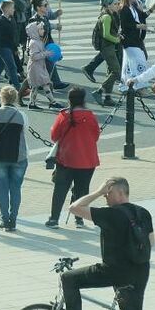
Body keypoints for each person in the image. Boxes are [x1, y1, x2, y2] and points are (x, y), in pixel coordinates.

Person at [57, 177, 155, 310]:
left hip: (114, 270)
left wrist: (97, 192)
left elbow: (74, 208)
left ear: (118, 193)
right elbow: (151, 242)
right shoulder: (143, 212)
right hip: (140, 271)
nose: (105, 197)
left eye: (107, 193)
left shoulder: (111, 214)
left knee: (68, 279)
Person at [45, 87, 101, 228]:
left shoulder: (64, 116)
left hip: (66, 158)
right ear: (83, 100)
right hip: (87, 160)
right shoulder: (90, 116)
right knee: (82, 190)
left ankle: (54, 219)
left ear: (69, 100)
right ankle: (79, 219)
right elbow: (95, 136)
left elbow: (54, 136)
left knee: (60, 189)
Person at [0, 85, 29, 231]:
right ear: (16, 98)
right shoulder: (21, 115)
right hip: (18, 156)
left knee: (2, 188)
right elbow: (24, 132)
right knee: (16, 188)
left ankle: (5, 219)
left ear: (1, 97)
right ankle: (13, 219)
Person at [82, 0, 126, 81]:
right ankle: (95, 69)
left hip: (112, 18)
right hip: (109, 19)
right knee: (109, 47)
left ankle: (108, 71)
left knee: (111, 47)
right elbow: (111, 3)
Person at [90, 0, 125, 107]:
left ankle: (108, 98)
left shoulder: (112, 15)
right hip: (107, 47)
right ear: (109, 5)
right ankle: (99, 92)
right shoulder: (106, 17)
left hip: (110, 46)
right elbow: (106, 34)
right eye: (115, 4)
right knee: (116, 71)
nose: (118, 5)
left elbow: (111, 31)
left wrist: (117, 35)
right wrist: (116, 39)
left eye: (118, 3)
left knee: (112, 72)